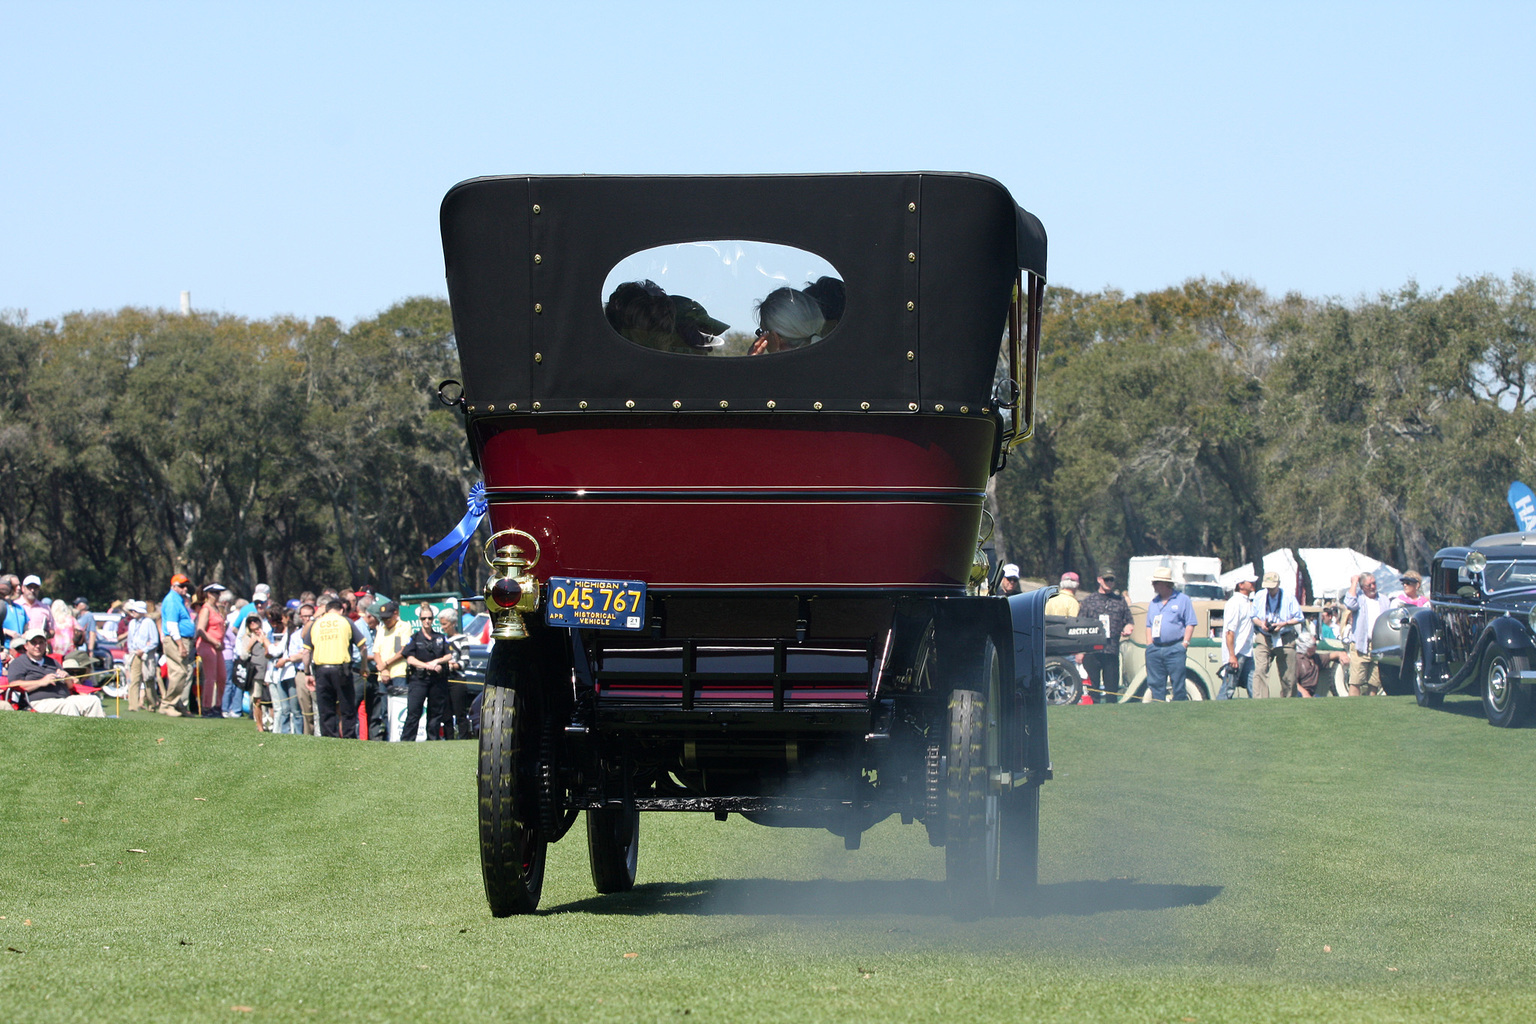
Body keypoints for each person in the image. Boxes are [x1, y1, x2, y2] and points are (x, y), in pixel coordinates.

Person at [302, 597, 367, 738]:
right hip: (342, 670)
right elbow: (362, 646)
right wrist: (364, 666)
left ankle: (329, 739)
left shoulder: (316, 624)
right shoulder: (346, 621)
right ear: (342, 610)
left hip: (321, 670)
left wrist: (307, 673)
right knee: (347, 707)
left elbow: (306, 652)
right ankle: (349, 738)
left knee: (326, 709)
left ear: (326, 610)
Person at [6, 629, 105, 716]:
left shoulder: (52, 662)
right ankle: (75, 735)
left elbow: (70, 686)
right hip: (38, 702)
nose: (37, 646)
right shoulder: (19, 663)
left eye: (41, 642)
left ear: (45, 645)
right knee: (68, 706)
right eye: (34, 643)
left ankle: (98, 735)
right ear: (26, 646)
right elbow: (14, 684)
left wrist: (66, 677)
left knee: (93, 701)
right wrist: (41, 682)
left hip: (64, 698)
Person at [399, 603, 457, 741]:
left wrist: (437, 662)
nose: (427, 621)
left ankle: (433, 741)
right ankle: (407, 741)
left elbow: (449, 655)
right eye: (424, 618)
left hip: (437, 680)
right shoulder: (415, 638)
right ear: (420, 619)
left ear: (433, 620)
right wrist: (427, 666)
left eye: (430, 618)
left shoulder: (440, 638)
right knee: (414, 712)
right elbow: (410, 658)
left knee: (435, 714)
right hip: (419, 680)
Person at [1076, 569, 1133, 702]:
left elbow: (1129, 621)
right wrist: (1080, 651)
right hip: (1091, 651)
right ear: (1099, 579)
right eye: (1106, 579)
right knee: (1093, 690)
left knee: (1111, 690)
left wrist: (1128, 627)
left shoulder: (1120, 601)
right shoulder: (1089, 601)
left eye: (1111, 580)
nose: (1109, 582)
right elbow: (1079, 625)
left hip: (1111, 650)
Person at [1144, 567, 1197, 701]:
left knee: (1178, 683)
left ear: (1165, 583)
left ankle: (1179, 710)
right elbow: (1149, 625)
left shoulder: (1182, 599)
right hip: (1155, 648)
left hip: (1175, 647)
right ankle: (1158, 709)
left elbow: (1190, 623)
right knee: (1155, 684)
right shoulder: (1154, 603)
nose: (1153, 585)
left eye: (1156, 582)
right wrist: (1149, 645)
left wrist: (1184, 644)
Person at [1252, 571, 1303, 698]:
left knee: (1288, 675)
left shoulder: (1288, 597)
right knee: (1260, 670)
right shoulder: (1259, 596)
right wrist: (1261, 624)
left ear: (1278, 584)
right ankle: (1260, 701)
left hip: (1285, 637)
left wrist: (1284, 624)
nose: (1270, 590)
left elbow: (1299, 617)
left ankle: (1288, 701)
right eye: (1268, 587)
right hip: (1264, 637)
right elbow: (1253, 616)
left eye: (1273, 587)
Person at [1344, 571, 1392, 696]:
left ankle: (1371, 707)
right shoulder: (1359, 598)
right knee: (1356, 681)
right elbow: (1349, 603)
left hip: (1378, 645)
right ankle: (1353, 707)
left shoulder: (1384, 600)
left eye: (1374, 583)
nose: (1372, 587)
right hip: (1361, 645)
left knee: (1375, 682)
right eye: (1368, 585)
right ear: (1362, 587)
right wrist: (1354, 582)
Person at [157, 574, 196, 717]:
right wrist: (180, 645)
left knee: (182, 672)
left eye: (186, 585)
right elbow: (172, 625)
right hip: (176, 640)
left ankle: (177, 704)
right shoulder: (172, 600)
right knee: (178, 672)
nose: (185, 588)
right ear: (173, 586)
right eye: (181, 586)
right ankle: (167, 704)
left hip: (180, 639)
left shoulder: (178, 600)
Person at [372, 601, 411, 736]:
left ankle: (399, 736)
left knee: (399, 707)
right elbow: (376, 652)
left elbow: (403, 650)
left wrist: (386, 664)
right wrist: (383, 669)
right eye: (383, 618)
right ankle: (388, 735)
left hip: (399, 672)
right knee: (385, 710)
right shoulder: (381, 629)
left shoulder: (404, 626)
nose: (385, 621)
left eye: (388, 618)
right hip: (383, 674)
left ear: (396, 614)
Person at [749, 287, 825, 355]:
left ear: (774, 337)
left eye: (762, 332)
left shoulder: (777, 370)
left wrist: (753, 365)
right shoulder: (832, 358)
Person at [1218, 572, 1258, 699]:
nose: (1253, 584)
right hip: (1237, 651)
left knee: (1254, 686)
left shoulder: (1247, 602)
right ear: (1241, 585)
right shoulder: (1235, 603)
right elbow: (1230, 631)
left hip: (1247, 651)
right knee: (1228, 688)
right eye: (1249, 582)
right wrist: (1232, 656)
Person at [268, 607, 305, 735]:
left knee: (295, 709)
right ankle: (285, 734)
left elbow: (277, 651)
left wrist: (265, 642)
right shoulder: (287, 634)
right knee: (284, 708)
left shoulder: (295, 634)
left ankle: (298, 734)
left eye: (283, 617)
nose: (281, 620)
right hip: (282, 673)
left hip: (291, 673)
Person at [235, 612, 274, 733]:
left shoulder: (267, 635)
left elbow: (272, 652)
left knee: (271, 699)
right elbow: (244, 656)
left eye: (255, 620)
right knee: (257, 699)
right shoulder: (246, 638)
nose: (253, 623)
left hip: (267, 670)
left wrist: (264, 640)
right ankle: (260, 726)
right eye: (250, 621)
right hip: (255, 672)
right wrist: (250, 645)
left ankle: (272, 724)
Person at [194, 583, 229, 717]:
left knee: (222, 677)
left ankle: (218, 705)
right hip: (207, 645)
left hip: (218, 646)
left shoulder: (217, 609)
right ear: (208, 594)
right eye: (215, 593)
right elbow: (201, 629)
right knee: (210, 677)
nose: (217, 596)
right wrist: (214, 641)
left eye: (218, 593)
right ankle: (207, 706)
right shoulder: (206, 609)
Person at [439, 607, 473, 739]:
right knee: (445, 714)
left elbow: (465, 661)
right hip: (443, 680)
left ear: (453, 623)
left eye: (445, 624)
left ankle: (464, 738)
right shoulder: (442, 639)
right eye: (441, 624)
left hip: (458, 680)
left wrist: (453, 666)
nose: (443, 627)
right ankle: (449, 739)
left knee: (460, 712)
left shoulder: (462, 639)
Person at [123, 600, 161, 712]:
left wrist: (144, 650)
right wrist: (133, 651)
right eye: (132, 610)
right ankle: (133, 705)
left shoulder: (149, 622)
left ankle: (152, 703)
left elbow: (154, 641)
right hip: (135, 654)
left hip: (147, 655)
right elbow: (130, 640)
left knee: (148, 679)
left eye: (135, 610)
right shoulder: (132, 623)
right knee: (134, 679)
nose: (133, 612)